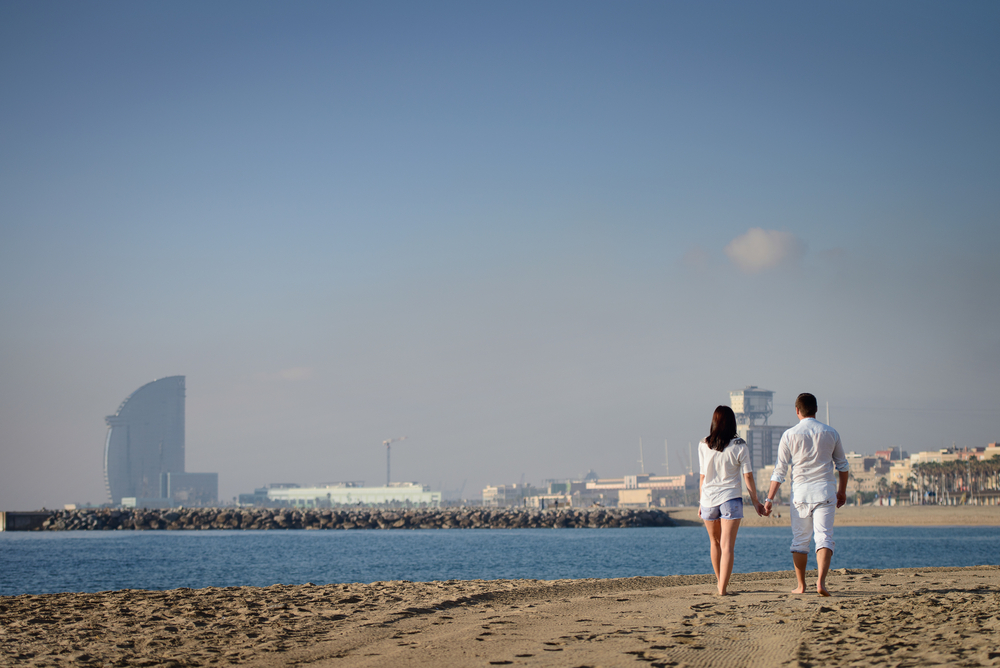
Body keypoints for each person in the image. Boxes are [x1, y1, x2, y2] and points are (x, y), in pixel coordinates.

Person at [763, 392, 850, 596]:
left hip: (800, 494)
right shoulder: (831, 433)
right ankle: (821, 582)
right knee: (824, 537)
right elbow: (843, 466)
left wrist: (769, 499)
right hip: (825, 491)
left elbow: (780, 471)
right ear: (816, 409)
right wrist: (842, 492)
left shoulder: (789, 435)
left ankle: (801, 585)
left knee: (800, 540)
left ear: (797, 411)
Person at [698, 405, 765, 596]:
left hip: (708, 499)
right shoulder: (740, 445)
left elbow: (702, 477)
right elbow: (748, 477)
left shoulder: (703, 444)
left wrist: (700, 502)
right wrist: (756, 502)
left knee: (715, 543)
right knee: (727, 546)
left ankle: (720, 583)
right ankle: (722, 588)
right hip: (731, 499)